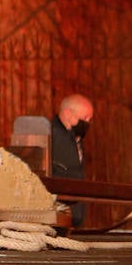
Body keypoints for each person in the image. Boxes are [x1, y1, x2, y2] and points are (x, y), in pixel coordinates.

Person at [51, 93, 93, 227]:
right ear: (68, 113)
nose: (87, 122)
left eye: (89, 119)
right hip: (58, 216)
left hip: (73, 215)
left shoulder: (76, 138)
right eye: (85, 117)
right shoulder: (49, 136)